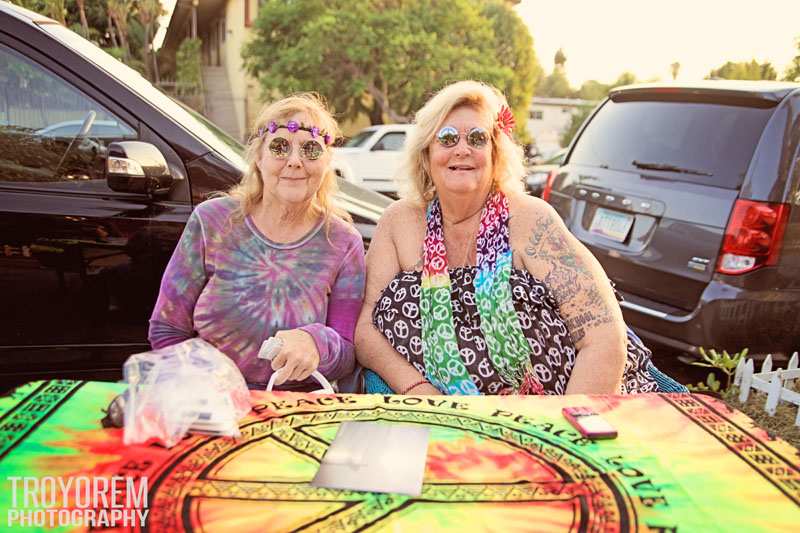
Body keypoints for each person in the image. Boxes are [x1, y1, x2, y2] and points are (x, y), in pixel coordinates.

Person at [354, 80, 663, 396]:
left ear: (495, 153)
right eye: (447, 138)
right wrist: (416, 387)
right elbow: (364, 330)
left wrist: (560, 426)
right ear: (426, 152)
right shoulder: (398, 222)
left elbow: (604, 336)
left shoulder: (530, 220)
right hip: (439, 417)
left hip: (555, 411)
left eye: (477, 138)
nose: (462, 149)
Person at [149, 93, 365, 391]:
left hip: (293, 409)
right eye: (279, 147)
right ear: (258, 158)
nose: (294, 161)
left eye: (311, 149)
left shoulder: (342, 242)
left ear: (327, 163)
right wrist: (197, 385)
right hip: (210, 400)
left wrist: (316, 342)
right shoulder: (212, 221)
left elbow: (347, 355)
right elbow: (166, 329)